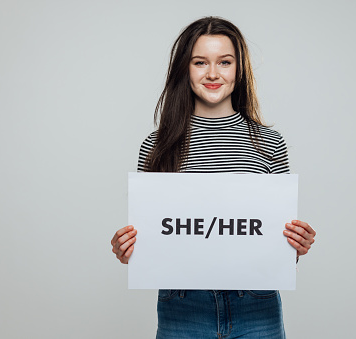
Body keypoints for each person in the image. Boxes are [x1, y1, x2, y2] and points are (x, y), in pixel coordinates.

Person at [111, 16, 316, 339]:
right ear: (185, 69)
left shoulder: (270, 143)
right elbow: (152, 239)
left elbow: (278, 250)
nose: (212, 73)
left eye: (225, 62)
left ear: (239, 69)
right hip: (182, 308)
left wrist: (295, 246)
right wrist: (129, 250)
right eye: (199, 62)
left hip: (256, 308)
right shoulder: (156, 146)